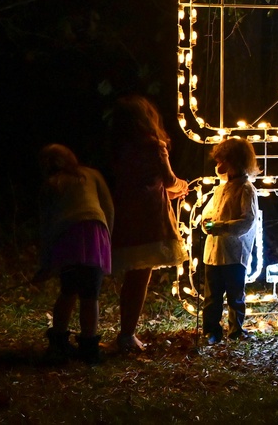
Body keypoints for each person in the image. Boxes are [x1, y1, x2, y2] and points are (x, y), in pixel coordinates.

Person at [109, 95, 189, 353]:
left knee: (133, 275)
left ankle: (126, 332)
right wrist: (182, 186)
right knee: (140, 276)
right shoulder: (154, 145)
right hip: (149, 217)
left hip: (126, 212)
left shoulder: (122, 148)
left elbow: (141, 181)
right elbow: (167, 179)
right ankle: (127, 335)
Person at [38, 144, 114, 364]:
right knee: (90, 294)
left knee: (68, 289)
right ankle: (89, 347)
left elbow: (46, 224)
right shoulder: (91, 175)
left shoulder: (50, 185)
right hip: (93, 232)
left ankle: (58, 343)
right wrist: (107, 238)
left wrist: (46, 261)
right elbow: (108, 208)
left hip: (66, 235)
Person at [200, 137, 259, 345]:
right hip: (213, 252)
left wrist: (222, 227)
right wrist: (206, 223)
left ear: (234, 160)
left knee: (235, 296)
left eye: (221, 161)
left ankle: (236, 330)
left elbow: (248, 221)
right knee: (211, 297)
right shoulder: (219, 188)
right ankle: (211, 331)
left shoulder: (246, 189)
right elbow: (207, 213)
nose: (218, 166)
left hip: (235, 253)